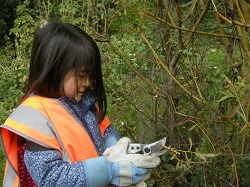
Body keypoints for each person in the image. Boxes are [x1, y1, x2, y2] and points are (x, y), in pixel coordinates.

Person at [0, 22, 161, 187]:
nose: (87, 82)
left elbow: (105, 130)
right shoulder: (36, 118)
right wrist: (110, 170)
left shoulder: (83, 102)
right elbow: (53, 178)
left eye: (89, 75)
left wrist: (117, 150)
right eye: (81, 76)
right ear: (54, 71)